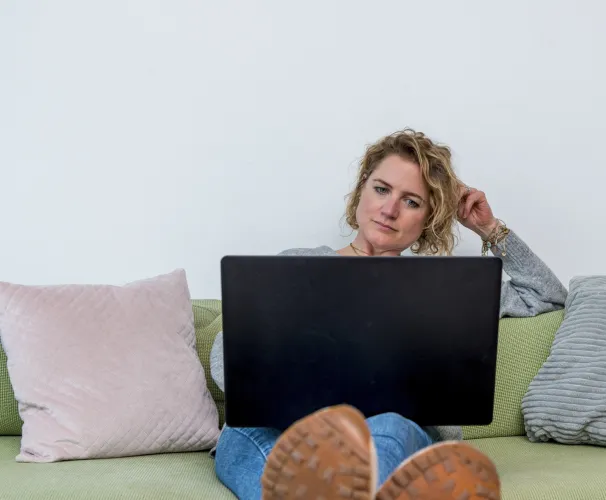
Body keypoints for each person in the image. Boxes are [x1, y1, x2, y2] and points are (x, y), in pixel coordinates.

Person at [210, 129, 568, 499]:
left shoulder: (444, 290)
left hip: (392, 436)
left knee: (390, 427)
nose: (390, 209)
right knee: (241, 433)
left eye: (412, 201)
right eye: (382, 189)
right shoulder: (299, 266)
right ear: (362, 189)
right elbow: (226, 355)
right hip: (287, 431)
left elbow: (548, 296)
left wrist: (488, 229)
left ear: (429, 218)